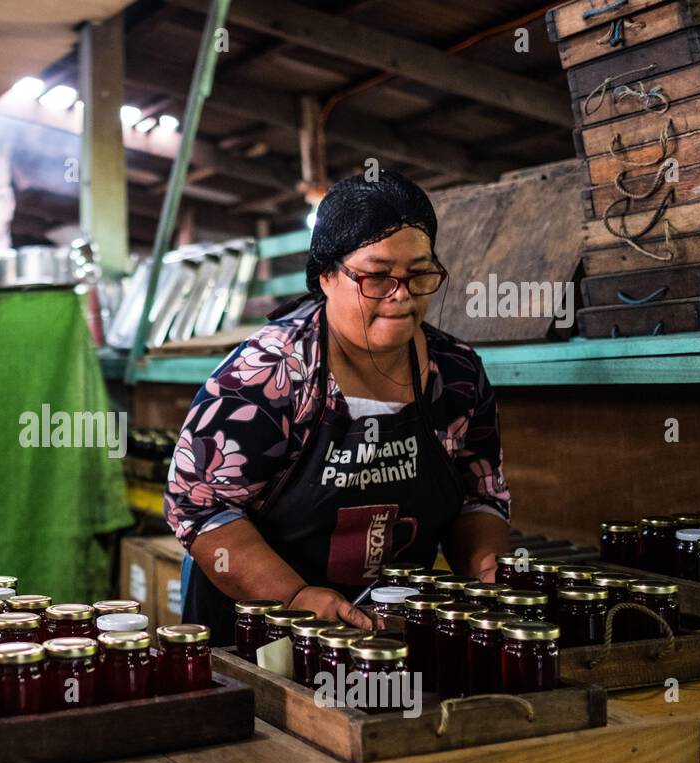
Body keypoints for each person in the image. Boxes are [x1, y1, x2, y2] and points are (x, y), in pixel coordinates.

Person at [164, 170, 510, 640]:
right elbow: (201, 509)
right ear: (326, 276)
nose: (401, 296)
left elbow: (479, 495)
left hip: (391, 634)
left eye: (419, 275)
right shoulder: (268, 372)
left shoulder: (457, 374)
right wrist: (295, 599)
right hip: (261, 634)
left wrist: (486, 567)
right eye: (376, 276)